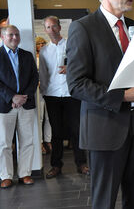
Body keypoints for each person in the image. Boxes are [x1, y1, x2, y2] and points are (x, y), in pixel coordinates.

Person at [66, 0, 134, 209]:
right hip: (104, 130)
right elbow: (76, 84)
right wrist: (122, 96)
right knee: (104, 201)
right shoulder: (83, 28)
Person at [39, 16, 89, 178]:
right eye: (48, 27)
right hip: (52, 95)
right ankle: (56, 165)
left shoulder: (70, 45)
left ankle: (81, 163)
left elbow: (84, 65)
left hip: (71, 94)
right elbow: (43, 75)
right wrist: (44, 94)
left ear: (60, 28)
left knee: (76, 130)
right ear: (45, 30)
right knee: (56, 132)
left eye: (54, 26)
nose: (51, 30)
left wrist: (71, 68)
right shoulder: (44, 50)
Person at [0, 25, 39, 188]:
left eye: (16, 35)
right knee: (4, 143)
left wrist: (23, 98)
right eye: (10, 35)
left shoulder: (27, 56)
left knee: (27, 141)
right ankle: (6, 176)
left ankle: (25, 174)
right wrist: (12, 97)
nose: (14, 37)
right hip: (5, 105)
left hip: (26, 104)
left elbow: (34, 78)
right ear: (3, 37)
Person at [35, 36, 52, 154]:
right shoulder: (33, 57)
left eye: (43, 43)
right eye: (39, 43)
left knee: (49, 117)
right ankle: (40, 142)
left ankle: (48, 139)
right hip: (37, 90)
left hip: (49, 88)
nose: (41, 45)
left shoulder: (47, 56)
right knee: (40, 117)